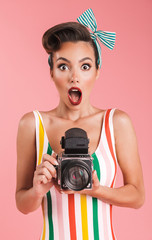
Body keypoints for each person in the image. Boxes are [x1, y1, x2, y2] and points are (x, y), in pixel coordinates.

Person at [15, 8, 145, 240]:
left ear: (97, 71)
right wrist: (37, 191)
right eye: (63, 66)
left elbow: (137, 196)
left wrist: (97, 190)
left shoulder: (117, 122)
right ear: (52, 72)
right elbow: (22, 204)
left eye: (85, 66)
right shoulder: (32, 124)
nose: (74, 76)